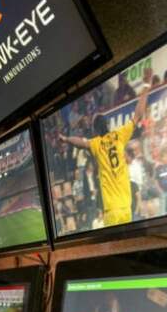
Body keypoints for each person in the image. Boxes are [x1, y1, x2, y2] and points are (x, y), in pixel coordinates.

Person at [58, 83, 151, 227]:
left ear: (95, 130)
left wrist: (66, 139)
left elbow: (80, 142)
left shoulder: (97, 144)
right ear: (108, 125)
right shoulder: (119, 135)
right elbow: (138, 115)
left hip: (111, 211)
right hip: (126, 207)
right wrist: (146, 86)